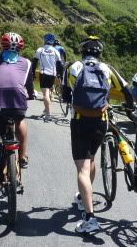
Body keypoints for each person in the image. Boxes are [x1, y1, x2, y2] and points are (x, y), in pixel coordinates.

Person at [63, 36, 121, 234]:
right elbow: (124, 88)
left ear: (83, 51)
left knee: (82, 169)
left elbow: (65, 95)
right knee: (91, 158)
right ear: (99, 53)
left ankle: (90, 218)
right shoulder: (106, 68)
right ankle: (83, 197)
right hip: (100, 122)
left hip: (79, 121)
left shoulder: (74, 67)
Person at [0, 32, 34, 168]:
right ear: (20, 47)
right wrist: (31, 95)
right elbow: (29, 84)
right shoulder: (27, 63)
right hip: (18, 102)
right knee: (20, 120)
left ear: (2, 45)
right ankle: (23, 156)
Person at [32, 33, 63, 118]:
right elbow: (59, 65)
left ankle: (48, 114)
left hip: (43, 73)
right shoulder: (56, 51)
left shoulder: (40, 50)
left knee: (45, 94)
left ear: (45, 40)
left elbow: (34, 63)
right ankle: (46, 109)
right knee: (48, 92)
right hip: (52, 74)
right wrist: (60, 75)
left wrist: (33, 73)